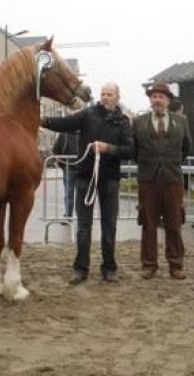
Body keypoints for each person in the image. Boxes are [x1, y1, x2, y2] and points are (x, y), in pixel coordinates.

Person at [40, 83, 134, 284]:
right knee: (84, 226)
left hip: (109, 179)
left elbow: (130, 150)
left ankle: (109, 268)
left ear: (117, 97)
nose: (105, 97)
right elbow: (65, 123)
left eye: (109, 94)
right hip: (84, 176)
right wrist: (43, 120)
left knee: (109, 225)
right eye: (103, 94)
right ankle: (80, 268)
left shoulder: (123, 122)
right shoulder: (87, 114)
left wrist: (109, 148)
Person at [132, 82, 192, 280]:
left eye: (161, 96)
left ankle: (176, 264)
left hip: (172, 180)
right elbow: (134, 150)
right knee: (148, 223)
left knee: (174, 223)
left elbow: (187, 148)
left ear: (168, 100)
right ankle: (149, 264)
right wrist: (149, 164)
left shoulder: (180, 122)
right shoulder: (138, 122)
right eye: (154, 96)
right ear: (150, 99)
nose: (157, 100)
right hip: (148, 180)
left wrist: (170, 163)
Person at [52, 130, 81, 218]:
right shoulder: (85, 132)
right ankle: (82, 216)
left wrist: (62, 164)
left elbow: (55, 150)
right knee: (82, 193)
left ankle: (68, 214)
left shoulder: (64, 134)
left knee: (69, 193)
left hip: (69, 167)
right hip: (82, 167)